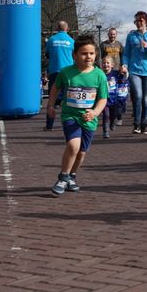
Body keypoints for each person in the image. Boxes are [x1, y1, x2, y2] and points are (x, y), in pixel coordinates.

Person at [45, 35, 108, 196]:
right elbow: (55, 88)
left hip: (89, 119)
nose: (88, 57)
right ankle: (63, 177)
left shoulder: (99, 75)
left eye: (91, 54)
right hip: (70, 116)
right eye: (84, 53)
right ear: (74, 55)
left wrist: (94, 112)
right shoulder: (66, 72)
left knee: (81, 153)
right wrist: (50, 105)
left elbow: (102, 99)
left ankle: (72, 175)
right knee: (73, 145)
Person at [121, 11, 147, 134]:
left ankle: (144, 123)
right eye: (137, 21)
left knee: (145, 99)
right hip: (134, 70)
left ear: (146, 22)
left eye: (141, 21)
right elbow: (126, 53)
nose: (139, 23)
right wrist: (124, 65)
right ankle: (136, 124)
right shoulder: (131, 36)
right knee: (137, 96)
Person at [43, 21, 74, 131]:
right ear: (67, 28)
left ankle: (49, 125)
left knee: (51, 98)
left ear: (57, 28)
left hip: (55, 71)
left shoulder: (51, 40)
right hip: (68, 72)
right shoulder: (71, 41)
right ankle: (69, 123)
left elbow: (47, 54)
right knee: (69, 99)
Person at [101, 56, 125, 139]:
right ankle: (105, 131)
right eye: (104, 63)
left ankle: (112, 123)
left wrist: (122, 73)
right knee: (106, 115)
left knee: (114, 114)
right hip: (104, 99)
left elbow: (121, 80)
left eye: (108, 63)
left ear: (112, 65)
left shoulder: (115, 73)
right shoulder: (100, 74)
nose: (105, 64)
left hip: (114, 99)